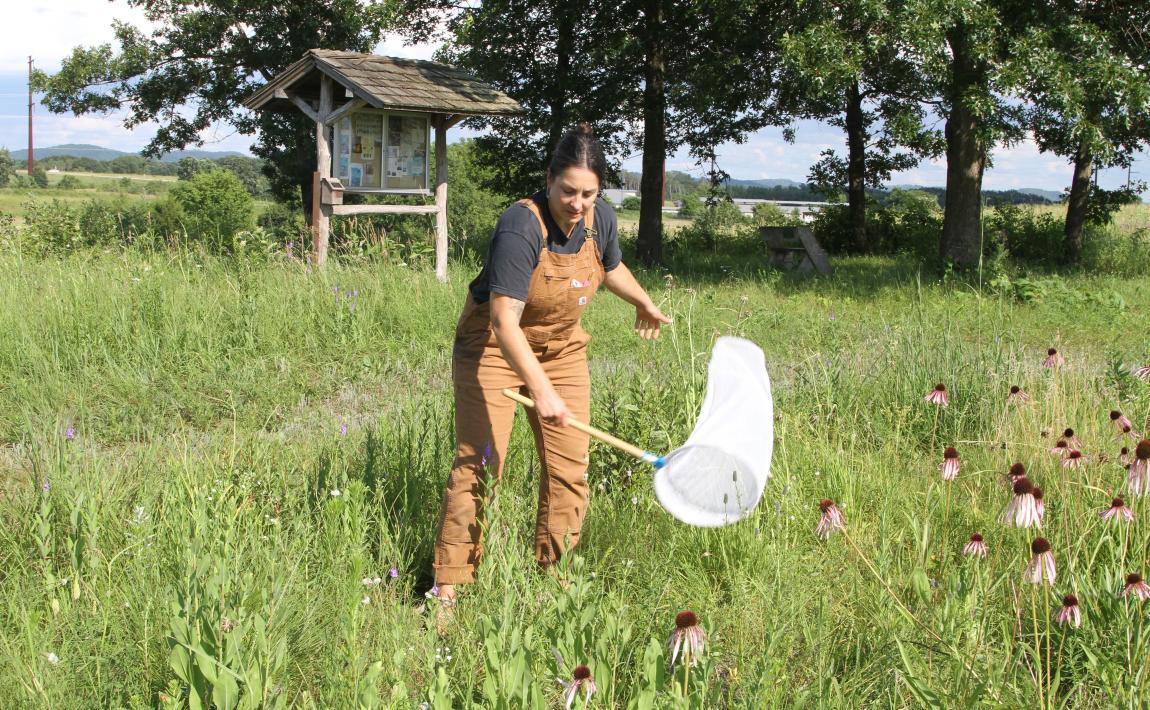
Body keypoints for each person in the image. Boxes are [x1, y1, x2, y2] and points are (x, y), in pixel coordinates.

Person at [433, 124, 671, 608]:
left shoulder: (599, 218)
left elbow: (609, 267)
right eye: (568, 191)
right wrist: (540, 390)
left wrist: (643, 302)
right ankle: (449, 590)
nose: (578, 203)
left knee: (569, 468)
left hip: (561, 349)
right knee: (480, 463)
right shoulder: (522, 225)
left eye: (589, 193)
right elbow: (503, 319)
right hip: (495, 348)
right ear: (549, 179)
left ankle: (554, 578)